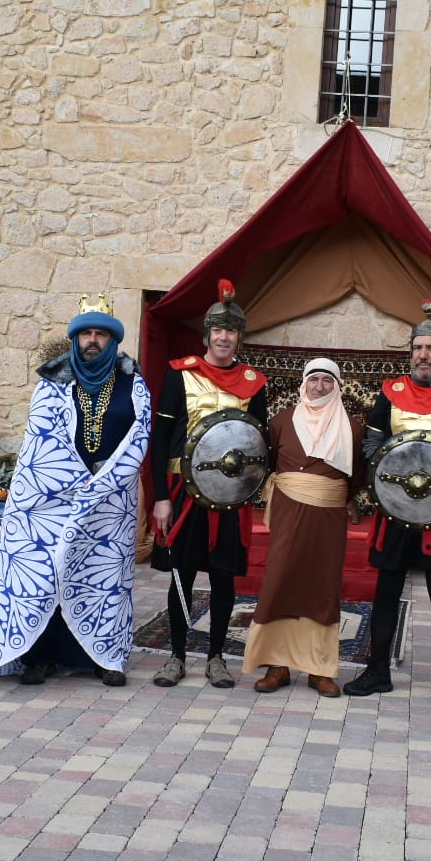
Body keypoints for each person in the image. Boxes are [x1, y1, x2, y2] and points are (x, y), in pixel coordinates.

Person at [0, 294, 152, 687]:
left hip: (110, 501)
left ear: (113, 340)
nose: (92, 340)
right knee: (46, 574)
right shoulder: (52, 384)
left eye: (100, 334)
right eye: (85, 333)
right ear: (75, 339)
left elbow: (139, 438)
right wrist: (71, 482)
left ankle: (103, 656)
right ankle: (40, 657)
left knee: (102, 578)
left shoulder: (133, 383)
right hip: (50, 500)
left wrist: (101, 484)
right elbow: (40, 442)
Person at [344, 302, 431, 706]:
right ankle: (378, 669)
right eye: (417, 347)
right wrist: (390, 469)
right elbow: (370, 442)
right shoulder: (391, 392)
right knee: (386, 591)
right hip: (396, 509)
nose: (423, 354)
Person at [149, 279, 268, 689]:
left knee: (221, 576)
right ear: (207, 335)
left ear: (239, 337)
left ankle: (216, 656)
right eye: (217, 329)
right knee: (181, 573)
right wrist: (161, 498)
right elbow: (161, 438)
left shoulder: (255, 383)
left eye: (230, 330)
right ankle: (176, 656)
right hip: (183, 491)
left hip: (230, 496)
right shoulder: (178, 375)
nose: (223, 336)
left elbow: (259, 440)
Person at [244, 358, 364, 697]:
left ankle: (319, 669)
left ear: (337, 386)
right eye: (315, 380)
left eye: (328, 380)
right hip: (288, 511)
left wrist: (329, 494)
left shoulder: (353, 428)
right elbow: (267, 462)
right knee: (282, 578)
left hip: (328, 516)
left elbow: (357, 477)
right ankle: (277, 666)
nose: (320, 386)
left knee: (322, 586)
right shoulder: (281, 422)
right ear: (304, 384)